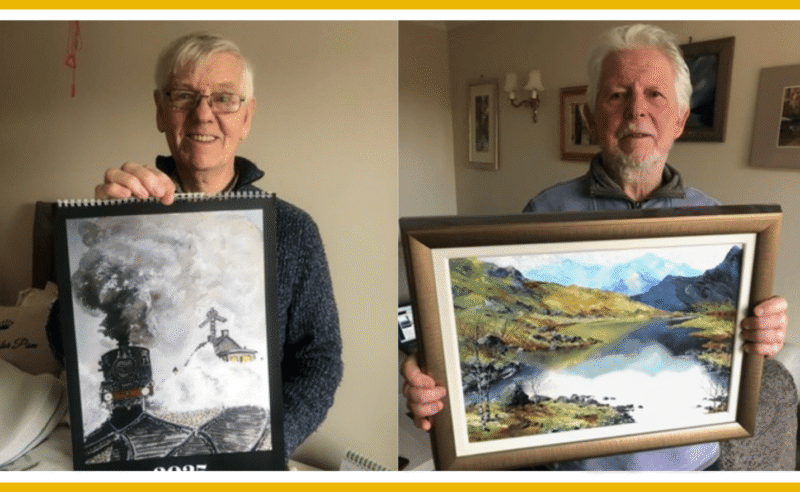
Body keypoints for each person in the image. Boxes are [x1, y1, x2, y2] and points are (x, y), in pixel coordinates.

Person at [401, 24, 789, 471]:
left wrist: (765, 329)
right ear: (590, 118)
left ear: (680, 119)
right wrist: (431, 369)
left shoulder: (723, 226)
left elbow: (739, 339)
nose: (636, 110)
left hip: (690, 467)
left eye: (655, 95)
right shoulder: (542, 212)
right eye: (616, 95)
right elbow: (480, 331)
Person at [94, 32, 343, 463]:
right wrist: (99, 241)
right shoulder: (121, 218)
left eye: (225, 98)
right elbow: (63, 342)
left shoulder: (293, 231)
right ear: (160, 109)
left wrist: (266, 444)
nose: (203, 114)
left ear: (247, 117)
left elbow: (320, 360)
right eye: (184, 95)